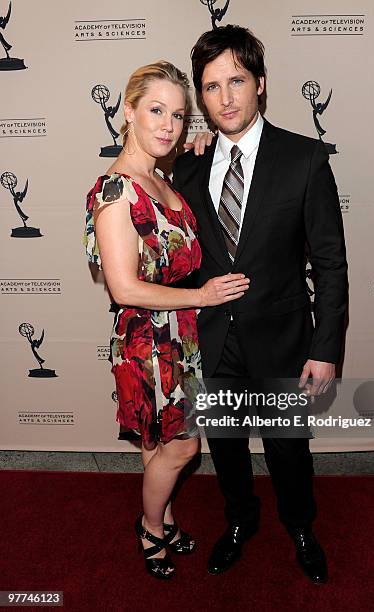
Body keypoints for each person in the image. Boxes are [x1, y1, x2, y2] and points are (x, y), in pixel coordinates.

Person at [172, 26, 348, 583]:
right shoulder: (188, 165)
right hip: (215, 340)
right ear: (201, 97)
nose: (225, 98)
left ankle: (301, 526)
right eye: (211, 86)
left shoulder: (305, 159)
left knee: (289, 450)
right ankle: (239, 520)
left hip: (285, 343)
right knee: (225, 446)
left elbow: (330, 265)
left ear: (261, 84)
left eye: (237, 81)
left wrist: (326, 351)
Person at [83, 61, 250, 580]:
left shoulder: (159, 177)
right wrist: (200, 295)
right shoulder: (116, 191)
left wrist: (201, 144)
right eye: (155, 111)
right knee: (183, 446)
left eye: (178, 116)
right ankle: (150, 528)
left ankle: (167, 518)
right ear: (127, 111)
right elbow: (123, 286)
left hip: (180, 335)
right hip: (147, 339)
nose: (168, 126)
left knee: (158, 443)